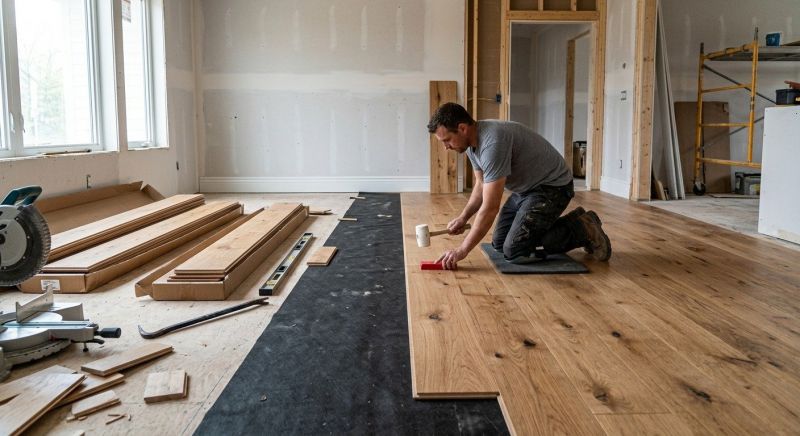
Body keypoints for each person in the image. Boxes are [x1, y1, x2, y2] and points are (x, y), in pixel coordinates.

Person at [428, 103, 611, 270]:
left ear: (462, 128)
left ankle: (583, 228)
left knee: (515, 251)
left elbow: (490, 208)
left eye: (447, 140)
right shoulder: (470, 144)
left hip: (552, 187)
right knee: (499, 244)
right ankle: (569, 223)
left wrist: (461, 250)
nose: (446, 147)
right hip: (526, 190)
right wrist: (463, 217)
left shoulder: (492, 143)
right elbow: (481, 185)